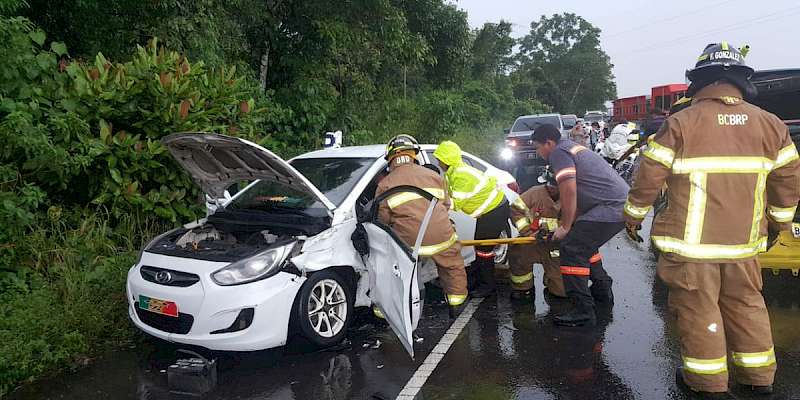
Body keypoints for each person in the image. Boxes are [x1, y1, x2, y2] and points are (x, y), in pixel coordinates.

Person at [624, 42, 800, 398]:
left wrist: (633, 216)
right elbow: (788, 181)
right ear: (741, 80)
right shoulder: (771, 125)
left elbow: (649, 176)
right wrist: (777, 224)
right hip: (743, 245)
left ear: (699, 80)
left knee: (697, 308)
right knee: (747, 304)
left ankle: (708, 384)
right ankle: (759, 379)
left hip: (691, 250)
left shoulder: (681, 123)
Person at [530, 124, 629, 327]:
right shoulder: (571, 147)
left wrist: (565, 227)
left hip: (610, 207)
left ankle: (582, 310)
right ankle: (602, 291)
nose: (538, 153)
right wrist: (570, 225)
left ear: (548, 143)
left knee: (571, 248)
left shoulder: (559, 153)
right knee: (583, 243)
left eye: (538, 148)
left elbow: (569, 191)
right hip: (617, 205)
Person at [376, 135, 468, 317]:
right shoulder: (434, 176)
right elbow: (446, 205)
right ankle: (456, 305)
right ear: (413, 155)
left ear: (391, 159)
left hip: (409, 243)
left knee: (394, 271)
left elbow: (383, 220)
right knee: (452, 266)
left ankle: (385, 313)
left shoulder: (385, 184)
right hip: (441, 237)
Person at [433, 140, 531, 298]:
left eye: (439, 159)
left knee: (484, 248)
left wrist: (433, 203)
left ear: (446, 160)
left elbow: (454, 203)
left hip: (495, 210)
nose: (438, 162)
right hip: (489, 211)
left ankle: (488, 286)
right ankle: (480, 281)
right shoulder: (454, 172)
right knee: (480, 246)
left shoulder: (460, 175)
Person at [507, 168, 565, 301]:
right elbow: (516, 209)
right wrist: (527, 231)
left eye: (553, 186)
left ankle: (552, 281)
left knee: (561, 291)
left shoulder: (572, 196)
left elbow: (574, 222)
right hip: (532, 240)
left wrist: (552, 230)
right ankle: (523, 289)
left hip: (555, 244)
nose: (550, 188)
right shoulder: (534, 193)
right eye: (548, 184)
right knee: (517, 253)